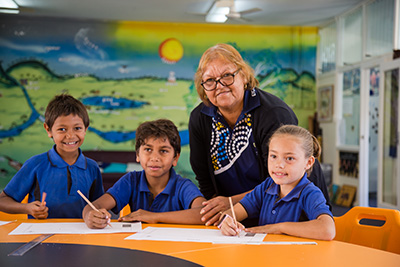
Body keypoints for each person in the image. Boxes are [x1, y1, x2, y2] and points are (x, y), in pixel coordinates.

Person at [189, 43, 330, 226]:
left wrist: (232, 202)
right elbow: (203, 175)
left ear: (244, 76)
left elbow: (281, 177)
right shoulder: (199, 118)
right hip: (239, 214)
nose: (219, 85)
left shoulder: (274, 113)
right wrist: (223, 211)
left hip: (294, 211)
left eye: (227, 76)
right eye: (210, 80)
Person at [218, 125, 335, 241]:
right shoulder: (267, 186)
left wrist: (279, 228)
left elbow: (328, 230)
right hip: (266, 255)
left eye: (289, 158)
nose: (279, 165)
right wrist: (227, 221)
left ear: (308, 162)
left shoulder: (310, 193)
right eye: (273, 156)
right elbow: (233, 212)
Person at [83, 119, 206, 229]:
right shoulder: (131, 180)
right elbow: (95, 205)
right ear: (137, 155)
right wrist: (90, 215)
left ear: (175, 158)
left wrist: (154, 217)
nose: (154, 158)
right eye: (148, 150)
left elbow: (203, 213)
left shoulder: (182, 186)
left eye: (163, 151)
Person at [0, 94, 104, 218]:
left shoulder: (92, 167)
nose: (70, 136)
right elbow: (3, 200)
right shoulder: (35, 164)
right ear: (48, 130)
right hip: (40, 235)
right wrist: (27, 208)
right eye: (62, 129)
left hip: (82, 235)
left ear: (85, 129)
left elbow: (98, 205)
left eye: (77, 128)